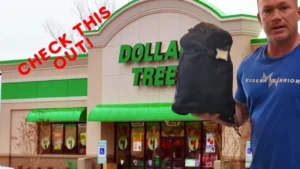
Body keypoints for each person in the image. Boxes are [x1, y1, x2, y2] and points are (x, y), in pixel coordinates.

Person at [192, 0, 300, 168]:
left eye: (284, 8)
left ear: (298, 13)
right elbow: (239, 115)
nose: (276, 17)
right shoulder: (248, 66)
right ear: (259, 18)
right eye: (268, 11)